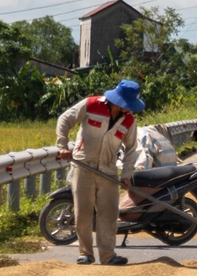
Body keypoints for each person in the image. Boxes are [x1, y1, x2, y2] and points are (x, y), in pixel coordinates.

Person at [56, 80, 143, 266]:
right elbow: (65, 119)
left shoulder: (129, 121)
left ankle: (108, 255)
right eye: (128, 105)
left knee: (109, 214)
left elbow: (131, 149)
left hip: (108, 169)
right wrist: (62, 146)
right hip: (83, 165)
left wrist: (126, 174)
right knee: (83, 213)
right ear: (119, 102)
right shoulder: (91, 105)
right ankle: (85, 253)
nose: (130, 109)